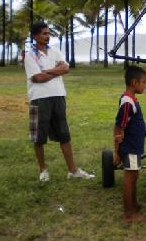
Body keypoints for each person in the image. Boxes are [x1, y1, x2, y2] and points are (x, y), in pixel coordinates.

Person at [24, 21, 94, 182]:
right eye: (44, 34)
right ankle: (43, 171)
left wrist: (48, 71)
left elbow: (66, 68)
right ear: (35, 36)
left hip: (58, 96)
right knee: (38, 137)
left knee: (64, 135)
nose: (47, 36)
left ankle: (73, 170)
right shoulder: (30, 55)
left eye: (48, 33)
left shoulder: (55, 51)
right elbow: (38, 78)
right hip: (38, 99)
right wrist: (57, 71)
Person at [113, 65, 146, 222]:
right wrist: (117, 152)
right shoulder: (128, 103)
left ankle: (134, 204)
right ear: (134, 82)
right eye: (143, 82)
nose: (145, 85)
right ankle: (129, 213)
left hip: (135, 146)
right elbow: (119, 127)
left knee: (135, 175)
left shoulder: (131, 100)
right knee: (130, 177)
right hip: (131, 148)